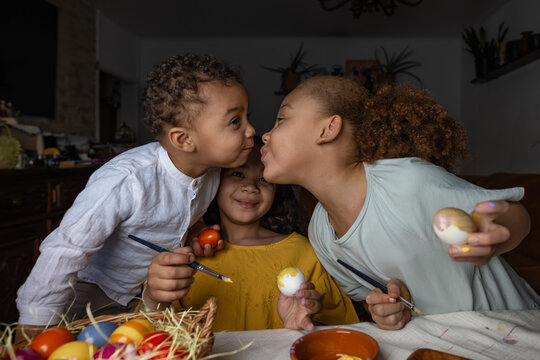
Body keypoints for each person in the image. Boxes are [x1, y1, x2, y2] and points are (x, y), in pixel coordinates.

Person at [260, 76, 540, 330]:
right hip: (445, 342)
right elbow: (381, 298)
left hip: (515, 327)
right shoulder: (321, 234)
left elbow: (519, 217)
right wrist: (389, 307)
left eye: (281, 119)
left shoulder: (407, 182)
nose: (266, 134)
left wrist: (497, 236)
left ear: (328, 129)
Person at [15, 54, 255, 333]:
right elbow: (66, 249)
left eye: (247, 117)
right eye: (236, 121)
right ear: (184, 139)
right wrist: (34, 326)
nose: (251, 129)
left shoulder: (211, 173)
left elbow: (173, 216)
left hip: (140, 299)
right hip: (85, 297)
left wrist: (194, 232)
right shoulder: (126, 180)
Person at [143, 137, 360, 331]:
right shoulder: (187, 253)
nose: (250, 187)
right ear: (213, 182)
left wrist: (307, 321)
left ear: (278, 190)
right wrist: (154, 297)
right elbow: (146, 333)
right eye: (238, 174)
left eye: (264, 179)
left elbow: (343, 331)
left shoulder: (303, 252)